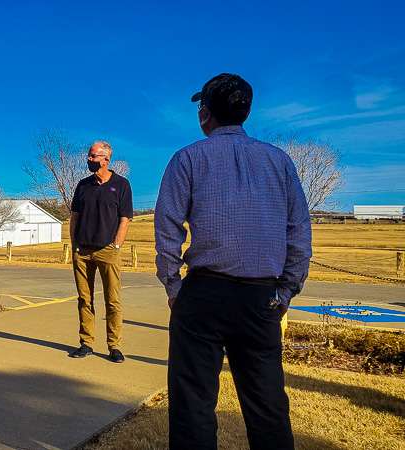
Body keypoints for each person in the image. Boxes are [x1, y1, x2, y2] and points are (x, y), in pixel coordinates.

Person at [155, 73, 312, 450]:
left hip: (203, 294)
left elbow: (167, 226)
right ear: (246, 112)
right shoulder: (279, 162)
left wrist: (173, 285)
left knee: (193, 404)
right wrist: (286, 290)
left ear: (204, 114)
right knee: (268, 405)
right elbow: (299, 232)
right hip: (261, 297)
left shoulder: (188, 158)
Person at [68, 141, 133, 363]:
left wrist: (116, 244)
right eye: (89, 155)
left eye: (93, 156)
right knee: (84, 299)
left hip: (108, 251)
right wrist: (74, 244)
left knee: (112, 300)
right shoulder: (82, 186)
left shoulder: (121, 185)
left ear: (106, 159)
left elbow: (125, 218)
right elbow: (74, 216)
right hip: (83, 251)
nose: (89, 159)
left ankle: (114, 346)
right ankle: (86, 343)